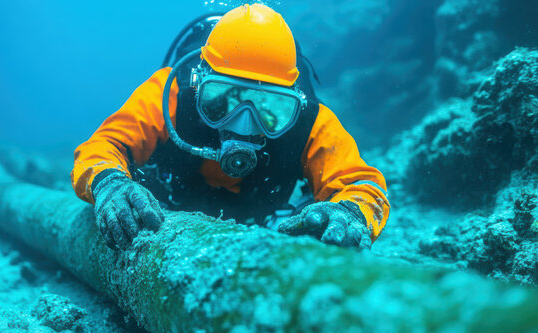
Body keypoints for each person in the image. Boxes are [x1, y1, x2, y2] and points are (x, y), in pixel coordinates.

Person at [71, 4, 389, 251]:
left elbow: (362, 185)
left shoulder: (310, 122)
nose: (244, 121)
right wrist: (109, 183)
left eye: (269, 107)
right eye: (224, 98)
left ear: (294, 100)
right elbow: (102, 147)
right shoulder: (169, 94)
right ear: (199, 84)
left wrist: (351, 213)